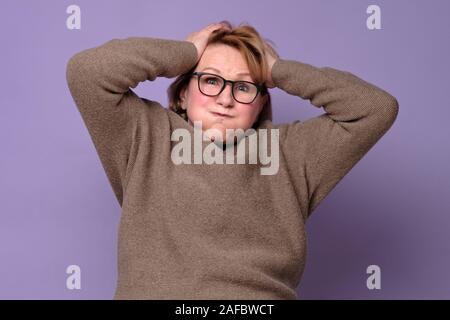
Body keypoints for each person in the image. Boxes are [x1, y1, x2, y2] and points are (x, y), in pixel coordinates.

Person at [66, 20, 399, 300]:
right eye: (210, 80)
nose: (225, 99)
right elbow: (87, 72)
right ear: (183, 91)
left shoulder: (290, 152)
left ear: (261, 102)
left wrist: (276, 70)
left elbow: (375, 109)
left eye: (244, 87)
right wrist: (186, 52)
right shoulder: (144, 134)